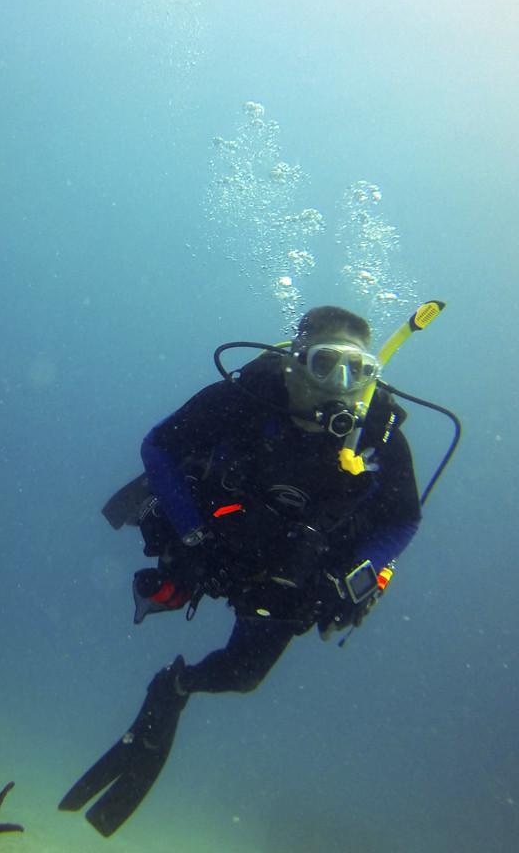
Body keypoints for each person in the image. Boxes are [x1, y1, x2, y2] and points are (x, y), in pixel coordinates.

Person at [60, 305, 454, 837]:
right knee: (170, 582)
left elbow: (404, 520)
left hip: (298, 571)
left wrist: (360, 576)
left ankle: (173, 688)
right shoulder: (245, 398)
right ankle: (173, 594)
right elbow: (159, 445)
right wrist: (194, 535)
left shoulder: (376, 433)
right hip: (216, 542)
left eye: (357, 370)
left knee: (244, 676)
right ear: (294, 362)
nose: (340, 385)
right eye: (325, 364)